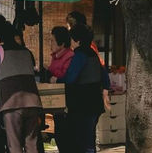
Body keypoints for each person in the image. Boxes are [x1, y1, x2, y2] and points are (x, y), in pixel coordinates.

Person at [0, 22, 42, 153]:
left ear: (0, 37)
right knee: (32, 144)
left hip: (12, 104)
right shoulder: (27, 52)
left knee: (15, 144)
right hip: (33, 102)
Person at [58, 24, 111, 153]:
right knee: (89, 138)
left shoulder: (80, 55)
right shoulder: (93, 54)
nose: (70, 42)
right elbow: (105, 79)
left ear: (78, 41)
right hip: (95, 103)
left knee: (83, 141)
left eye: (72, 39)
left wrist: (57, 80)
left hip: (82, 104)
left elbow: (71, 78)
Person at [46, 26, 74, 153]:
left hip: (67, 103)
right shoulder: (55, 56)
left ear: (62, 43)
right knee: (58, 134)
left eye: (52, 41)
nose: (50, 44)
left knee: (65, 136)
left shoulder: (69, 57)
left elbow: (66, 77)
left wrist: (54, 77)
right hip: (56, 102)